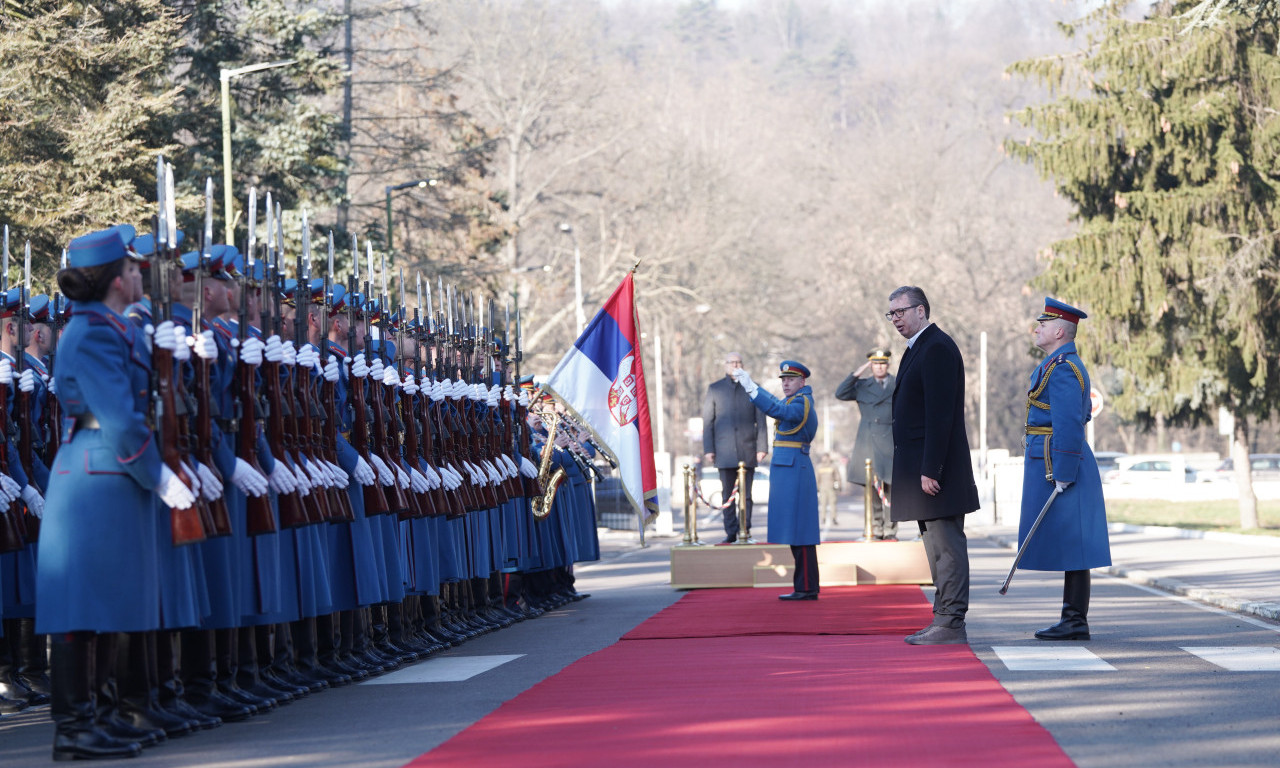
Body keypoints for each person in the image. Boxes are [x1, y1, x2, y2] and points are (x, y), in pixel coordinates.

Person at [38, 225, 199, 760]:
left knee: (108, 603)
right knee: (82, 607)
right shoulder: (92, 332)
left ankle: (102, 715)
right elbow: (119, 420)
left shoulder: (112, 327)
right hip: (96, 474)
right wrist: (159, 476)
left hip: (111, 475)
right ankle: (74, 726)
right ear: (114, 280)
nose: (140, 276)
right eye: (132, 269)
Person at [886, 286, 979, 645]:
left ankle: (952, 622)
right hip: (923, 470)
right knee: (934, 547)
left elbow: (940, 417)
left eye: (901, 311)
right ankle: (942, 617)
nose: (895, 319)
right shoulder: (918, 348)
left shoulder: (937, 348)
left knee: (947, 547)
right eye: (891, 313)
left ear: (921, 311)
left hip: (938, 472)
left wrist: (931, 470)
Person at [1017, 298, 1111, 641]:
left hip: (1061, 464)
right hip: (1053, 460)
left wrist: (1064, 471)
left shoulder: (1063, 368)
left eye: (1043, 324)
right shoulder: (1055, 364)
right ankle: (1072, 619)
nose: (1037, 328)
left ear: (1059, 331)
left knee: (1076, 544)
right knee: (1072, 545)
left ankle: (1074, 620)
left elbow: (1071, 422)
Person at [731, 361, 820, 600]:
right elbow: (774, 403)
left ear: (802, 382)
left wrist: (752, 388)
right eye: (783, 379)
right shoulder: (793, 401)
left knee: (800, 532)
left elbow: (776, 410)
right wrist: (755, 388)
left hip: (794, 470)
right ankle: (804, 585)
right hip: (789, 469)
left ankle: (807, 587)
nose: (786, 383)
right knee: (795, 532)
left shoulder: (801, 403)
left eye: (791, 379)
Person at [701, 352, 769, 543]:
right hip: (724, 451)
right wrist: (709, 449)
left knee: (746, 495)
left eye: (738, 362)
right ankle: (730, 532)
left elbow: (761, 421)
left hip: (748, 450)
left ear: (743, 365)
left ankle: (745, 530)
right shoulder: (715, 389)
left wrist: (762, 447)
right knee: (727, 495)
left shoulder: (752, 387)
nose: (735, 365)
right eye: (732, 362)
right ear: (725, 365)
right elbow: (708, 422)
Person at [835, 348, 896, 540]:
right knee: (873, 488)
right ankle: (876, 528)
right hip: (868, 441)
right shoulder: (862, 385)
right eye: (875, 364)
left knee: (891, 489)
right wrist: (856, 374)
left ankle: (890, 530)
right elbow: (841, 393)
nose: (879, 367)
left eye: (882, 363)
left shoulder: (898, 382)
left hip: (891, 440)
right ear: (871, 366)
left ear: (887, 364)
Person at [815, 453, 841, 526]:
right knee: (823, 504)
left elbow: (837, 477)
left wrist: (838, 486)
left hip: (831, 487)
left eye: (826, 458)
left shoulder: (833, 466)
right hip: (822, 488)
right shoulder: (819, 467)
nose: (825, 459)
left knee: (833, 503)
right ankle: (823, 518)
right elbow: (817, 478)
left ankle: (834, 518)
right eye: (824, 457)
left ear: (829, 458)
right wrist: (817, 488)